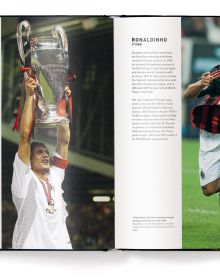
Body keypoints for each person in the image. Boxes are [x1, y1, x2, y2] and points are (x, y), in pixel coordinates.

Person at [11, 73, 72, 249]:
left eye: (46, 152)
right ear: (28, 161)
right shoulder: (24, 179)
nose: (45, 154)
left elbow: (63, 141)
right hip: (31, 256)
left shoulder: (55, 175)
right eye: (39, 153)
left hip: (62, 254)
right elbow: (24, 137)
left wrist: (62, 103)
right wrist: (30, 96)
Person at [184, 66, 220, 197]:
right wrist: (200, 83)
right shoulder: (217, 74)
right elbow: (187, 94)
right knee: (208, 190)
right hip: (212, 132)